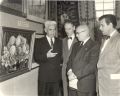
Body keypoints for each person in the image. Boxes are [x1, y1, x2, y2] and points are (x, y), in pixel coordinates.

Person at [67, 24, 100, 96]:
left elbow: (91, 66)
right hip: (72, 83)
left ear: (85, 32)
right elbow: (70, 60)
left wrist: (75, 75)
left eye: (78, 33)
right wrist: (69, 72)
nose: (76, 35)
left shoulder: (95, 45)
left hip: (85, 85)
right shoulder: (75, 45)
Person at [34, 20, 62, 96]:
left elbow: (61, 58)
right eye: (50, 29)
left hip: (56, 77)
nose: (53, 32)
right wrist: (46, 56)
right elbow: (36, 57)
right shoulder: (38, 41)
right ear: (45, 30)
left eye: (54, 29)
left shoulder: (60, 42)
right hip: (44, 77)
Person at [97, 14, 120, 96]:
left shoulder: (118, 40)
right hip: (103, 85)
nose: (100, 28)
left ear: (110, 25)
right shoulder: (104, 39)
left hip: (115, 87)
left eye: (102, 25)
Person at [62, 20, 78, 96]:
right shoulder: (62, 41)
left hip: (75, 69)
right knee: (65, 89)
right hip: (64, 69)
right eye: (66, 29)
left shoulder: (79, 40)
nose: (67, 31)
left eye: (69, 29)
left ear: (74, 28)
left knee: (75, 90)